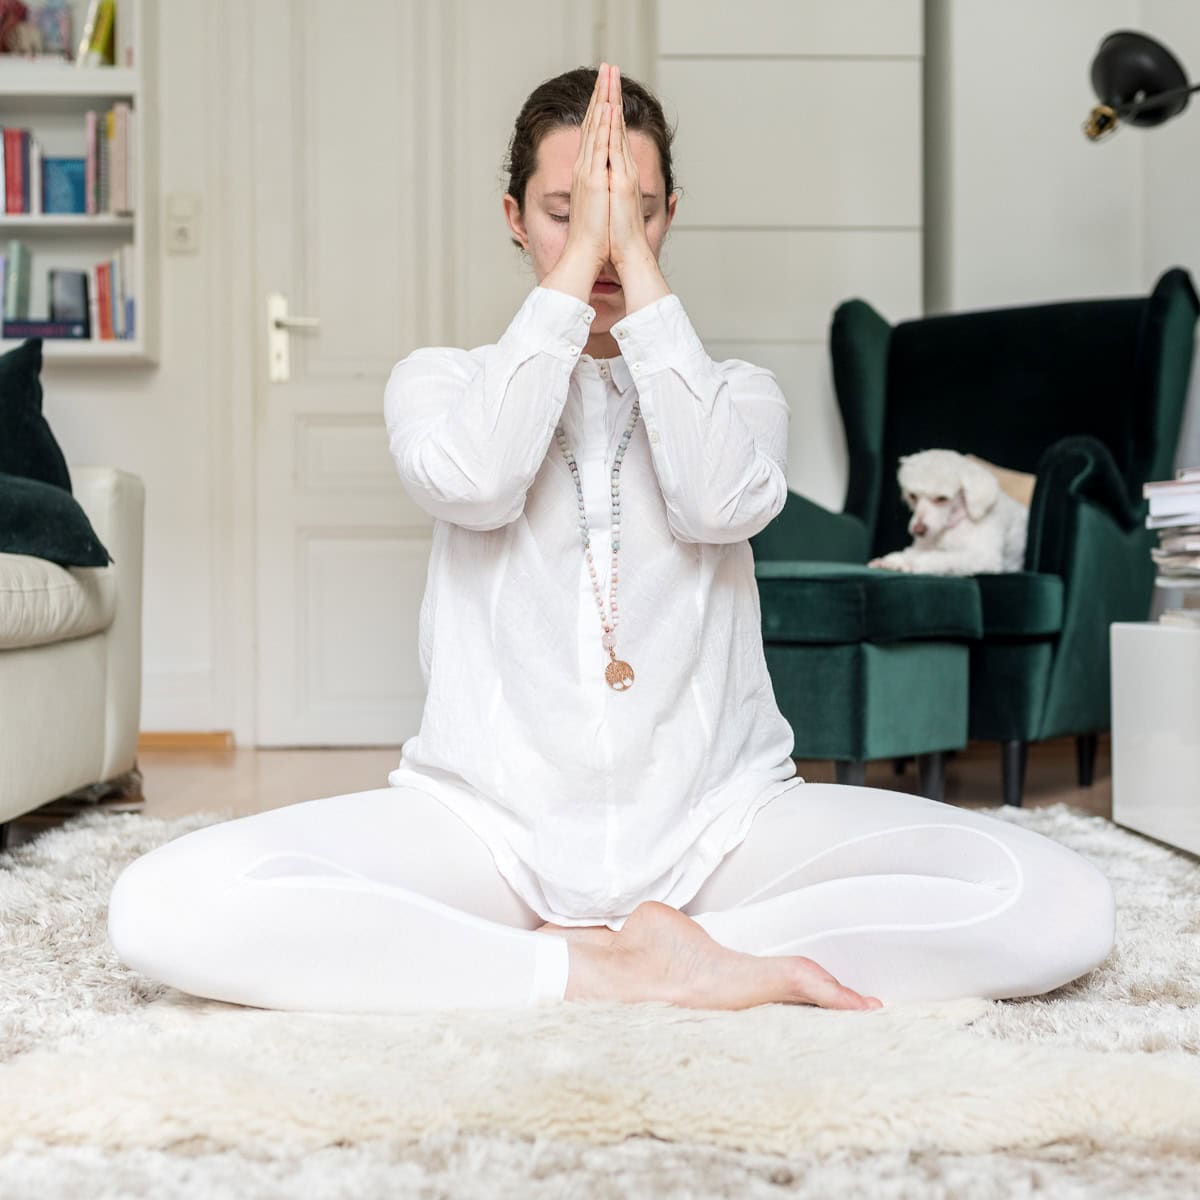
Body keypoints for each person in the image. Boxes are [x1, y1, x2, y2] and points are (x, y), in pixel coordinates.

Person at [106, 64, 1116, 1015]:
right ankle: (585, 966)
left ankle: (682, 948)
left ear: (668, 217)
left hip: (723, 833)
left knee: (1057, 902)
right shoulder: (442, 382)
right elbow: (478, 481)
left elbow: (721, 501)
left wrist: (631, 266)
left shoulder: (735, 395)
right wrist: (583, 265)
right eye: (566, 214)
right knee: (165, 904)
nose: (596, 241)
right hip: (487, 832)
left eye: (631, 211)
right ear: (515, 220)